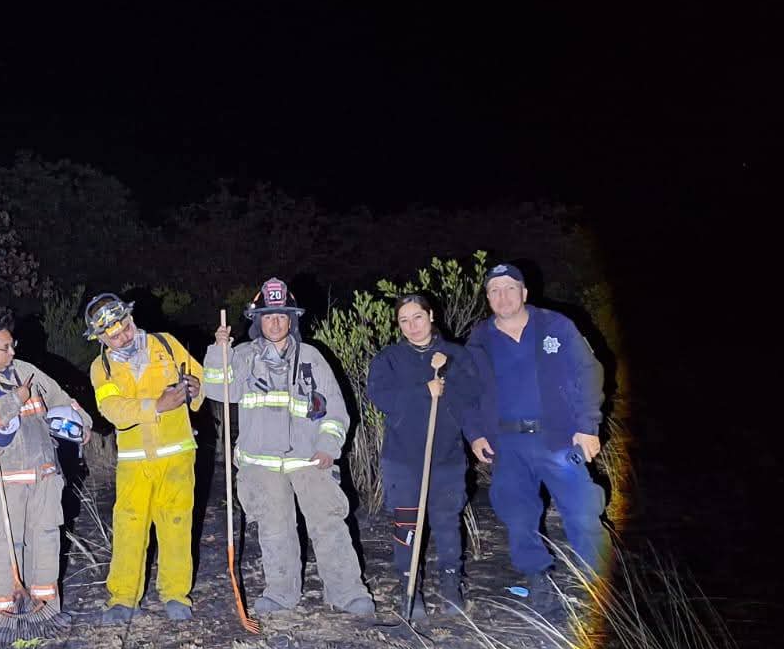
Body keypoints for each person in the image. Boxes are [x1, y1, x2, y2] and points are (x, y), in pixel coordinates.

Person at [204, 279, 375, 620]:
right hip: (261, 466)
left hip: (309, 461)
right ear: (258, 321)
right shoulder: (241, 356)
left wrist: (329, 446)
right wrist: (217, 351)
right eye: (268, 316)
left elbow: (335, 412)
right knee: (275, 529)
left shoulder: (312, 358)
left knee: (329, 524)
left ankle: (347, 593)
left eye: (282, 316)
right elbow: (218, 389)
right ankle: (281, 594)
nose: (275, 322)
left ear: (292, 319)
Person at [466, 263, 607, 615]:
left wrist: (588, 425)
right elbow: (467, 392)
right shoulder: (479, 339)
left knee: (582, 510)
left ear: (524, 293)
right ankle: (538, 578)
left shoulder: (556, 326)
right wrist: (475, 433)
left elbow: (589, 371)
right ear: (487, 298)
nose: (503, 296)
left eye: (510, 288)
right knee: (517, 515)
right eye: (494, 290)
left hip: (559, 438)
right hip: (508, 444)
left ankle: (602, 584)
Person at [0, 311, 92, 637]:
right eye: (5, 347)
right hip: (4, 482)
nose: (12, 352)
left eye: (13, 345)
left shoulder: (27, 372)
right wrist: (14, 400)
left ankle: (45, 612)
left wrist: (82, 422)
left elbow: (61, 397)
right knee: (7, 547)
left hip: (44, 475)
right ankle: (1, 620)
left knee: (46, 540)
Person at [85, 292, 205, 623]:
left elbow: (198, 377)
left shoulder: (166, 345)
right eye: (112, 333)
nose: (122, 335)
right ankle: (123, 598)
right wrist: (156, 406)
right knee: (129, 527)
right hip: (135, 462)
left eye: (123, 326)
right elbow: (112, 410)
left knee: (176, 525)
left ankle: (176, 594)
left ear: (130, 319)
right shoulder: (102, 367)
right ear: (101, 337)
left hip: (177, 455)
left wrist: (195, 387)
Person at [367, 294, 481, 620]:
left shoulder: (456, 355)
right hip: (402, 458)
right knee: (407, 523)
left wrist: (446, 383)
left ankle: (450, 584)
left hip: (446, 456)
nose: (412, 326)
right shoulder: (389, 358)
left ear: (431, 315)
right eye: (404, 321)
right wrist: (423, 390)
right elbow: (380, 396)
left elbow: (472, 397)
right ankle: (409, 587)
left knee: (446, 521)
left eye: (417, 317)